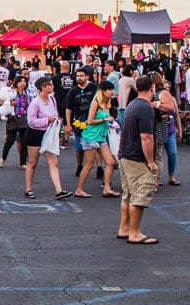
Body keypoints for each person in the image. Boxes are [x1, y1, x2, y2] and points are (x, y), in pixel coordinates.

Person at [116, 75, 159, 245]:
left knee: (128, 195)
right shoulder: (145, 108)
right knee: (140, 194)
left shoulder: (132, 104)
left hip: (125, 154)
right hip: (136, 158)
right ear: (152, 88)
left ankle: (124, 228)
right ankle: (135, 233)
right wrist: (150, 161)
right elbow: (146, 138)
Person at [24, 77, 71, 200]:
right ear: (43, 88)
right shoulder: (35, 103)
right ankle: (28, 188)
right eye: (50, 85)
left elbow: (54, 113)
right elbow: (31, 121)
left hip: (49, 133)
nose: (52, 87)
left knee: (53, 161)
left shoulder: (52, 99)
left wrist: (56, 120)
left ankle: (59, 190)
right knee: (33, 162)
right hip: (35, 134)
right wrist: (47, 120)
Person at [75, 81, 119, 198]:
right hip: (90, 136)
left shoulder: (107, 103)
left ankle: (107, 188)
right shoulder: (96, 103)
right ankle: (79, 189)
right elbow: (90, 121)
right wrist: (105, 119)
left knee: (110, 162)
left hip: (101, 136)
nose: (112, 92)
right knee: (89, 164)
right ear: (103, 91)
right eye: (110, 90)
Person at [65, 68, 100, 179]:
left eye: (81, 75)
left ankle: (99, 168)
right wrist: (69, 124)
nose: (79, 78)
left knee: (97, 144)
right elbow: (68, 108)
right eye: (78, 76)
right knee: (79, 147)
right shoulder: (73, 91)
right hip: (79, 122)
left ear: (87, 77)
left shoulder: (94, 88)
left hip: (94, 120)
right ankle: (79, 165)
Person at [149, 72, 180, 188]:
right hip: (154, 126)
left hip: (161, 126)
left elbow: (172, 108)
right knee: (153, 154)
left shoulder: (162, 93)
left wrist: (156, 104)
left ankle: (157, 181)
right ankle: (155, 180)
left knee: (158, 155)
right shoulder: (153, 92)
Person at [0, 75, 29, 169]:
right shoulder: (11, 92)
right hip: (13, 118)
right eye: (21, 81)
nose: (23, 83)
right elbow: (1, 101)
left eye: (24, 81)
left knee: (24, 142)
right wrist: (9, 103)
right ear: (16, 83)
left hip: (23, 117)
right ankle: (3, 158)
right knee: (10, 140)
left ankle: (23, 162)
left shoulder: (26, 94)